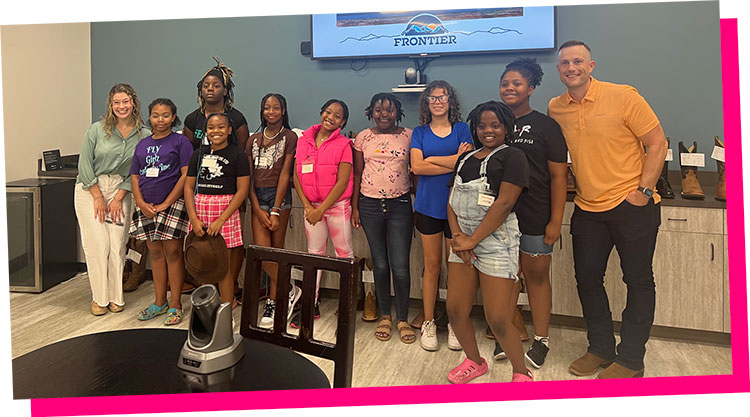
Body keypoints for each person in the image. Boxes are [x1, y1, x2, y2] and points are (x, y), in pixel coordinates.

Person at [548, 40, 667, 379]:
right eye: (565, 63)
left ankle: (631, 359)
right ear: (559, 70)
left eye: (578, 62)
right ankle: (600, 348)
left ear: (591, 65)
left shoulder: (624, 96)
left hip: (633, 205)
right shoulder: (556, 108)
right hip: (587, 207)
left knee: (639, 281)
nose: (571, 68)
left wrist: (643, 191)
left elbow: (658, 142)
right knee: (587, 280)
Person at [445, 101, 531, 383]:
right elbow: (452, 202)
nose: (488, 130)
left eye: (495, 125)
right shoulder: (465, 158)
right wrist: (459, 238)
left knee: (498, 318)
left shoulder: (513, 156)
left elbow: (504, 203)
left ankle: (521, 373)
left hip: (496, 241)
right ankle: (474, 360)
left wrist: (472, 240)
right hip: (463, 242)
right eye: (482, 125)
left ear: (506, 127)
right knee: (456, 310)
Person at [494, 57, 568, 368]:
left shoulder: (547, 125)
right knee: (507, 279)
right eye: (505, 83)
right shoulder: (493, 122)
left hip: (536, 214)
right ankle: (508, 334)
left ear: (531, 87)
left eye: (517, 83)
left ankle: (541, 339)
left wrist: (555, 220)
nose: (509, 88)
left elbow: (558, 177)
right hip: (500, 218)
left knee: (536, 277)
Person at [75, 83, 151, 316]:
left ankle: (116, 297)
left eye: (125, 101)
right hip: (90, 189)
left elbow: (138, 170)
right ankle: (100, 298)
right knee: (98, 246)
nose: (121, 106)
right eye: (116, 102)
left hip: (122, 191)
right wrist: (97, 196)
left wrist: (119, 197)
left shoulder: (144, 134)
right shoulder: (96, 130)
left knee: (117, 245)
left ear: (133, 103)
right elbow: (84, 164)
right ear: (110, 105)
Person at [410, 80, 473, 351]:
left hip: (456, 210)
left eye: (442, 97)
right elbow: (416, 167)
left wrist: (431, 160)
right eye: (432, 98)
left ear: (450, 101)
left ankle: (457, 323)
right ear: (426, 103)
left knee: (456, 268)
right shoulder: (420, 132)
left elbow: (467, 163)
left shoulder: (462, 129)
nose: (437, 101)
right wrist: (451, 160)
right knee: (432, 266)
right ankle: (428, 322)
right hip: (427, 207)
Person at [182, 57, 250, 296]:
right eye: (206, 85)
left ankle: (231, 293)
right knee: (203, 252)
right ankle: (206, 300)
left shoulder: (237, 119)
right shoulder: (193, 120)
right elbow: (188, 156)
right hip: (201, 202)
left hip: (228, 200)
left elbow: (243, 155)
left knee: (228, 255)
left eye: (216, 85)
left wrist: (235, 206)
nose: (210, 89)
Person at [352, 93, 415, 344]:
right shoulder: (362, 137)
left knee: (400, 266)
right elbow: (357, 173)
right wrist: (355, 207)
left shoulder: (409, 135)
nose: (383, 114)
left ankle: (402, 318)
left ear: (397, 112)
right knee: (379, 264)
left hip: (400, 204)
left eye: (389, 110)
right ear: (371, 112)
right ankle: (385, 316)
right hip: (369, 205)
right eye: (378, 110)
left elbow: (416, 170)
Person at [129, 98, 193, 325]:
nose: (160, 119)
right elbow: (135, 176)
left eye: (166, 115)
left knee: (173, 253)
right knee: (155, 254)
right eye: (156, 115)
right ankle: (159, 301)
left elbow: (186, 175)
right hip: (146, 206)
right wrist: (140, 202)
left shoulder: (181, 142)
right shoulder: (143, 144)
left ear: (173, 117)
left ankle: (175, 304)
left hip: (172, 204)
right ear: (150, 117)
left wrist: (167, 203)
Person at [291, 99, 354, 328]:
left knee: (344, 255)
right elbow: (297, 175)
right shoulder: (304, 141)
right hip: (312, 207)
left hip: (336, 207)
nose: (331, 117)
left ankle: (347, 305)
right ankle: (310, 304)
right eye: (328, 111)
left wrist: (321, 209)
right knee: (314, 255)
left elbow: (343, 181)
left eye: (337, 115)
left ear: (343, 121)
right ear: (321, 113)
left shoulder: (344, 144)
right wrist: (308, 207)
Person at [245, 93, 301, 328]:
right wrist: (257, 209)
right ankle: (291, 288)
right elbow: (247, 178)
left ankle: (273, 301)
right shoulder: (252, 140)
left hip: (280, 198)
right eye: (266, 107)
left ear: (284, 110)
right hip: (257, 197)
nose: (271, 112)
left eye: (276, 107)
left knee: (277, 251)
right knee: (262, 252)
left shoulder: (289, 137)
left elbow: (286, 173)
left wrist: (276, 209)